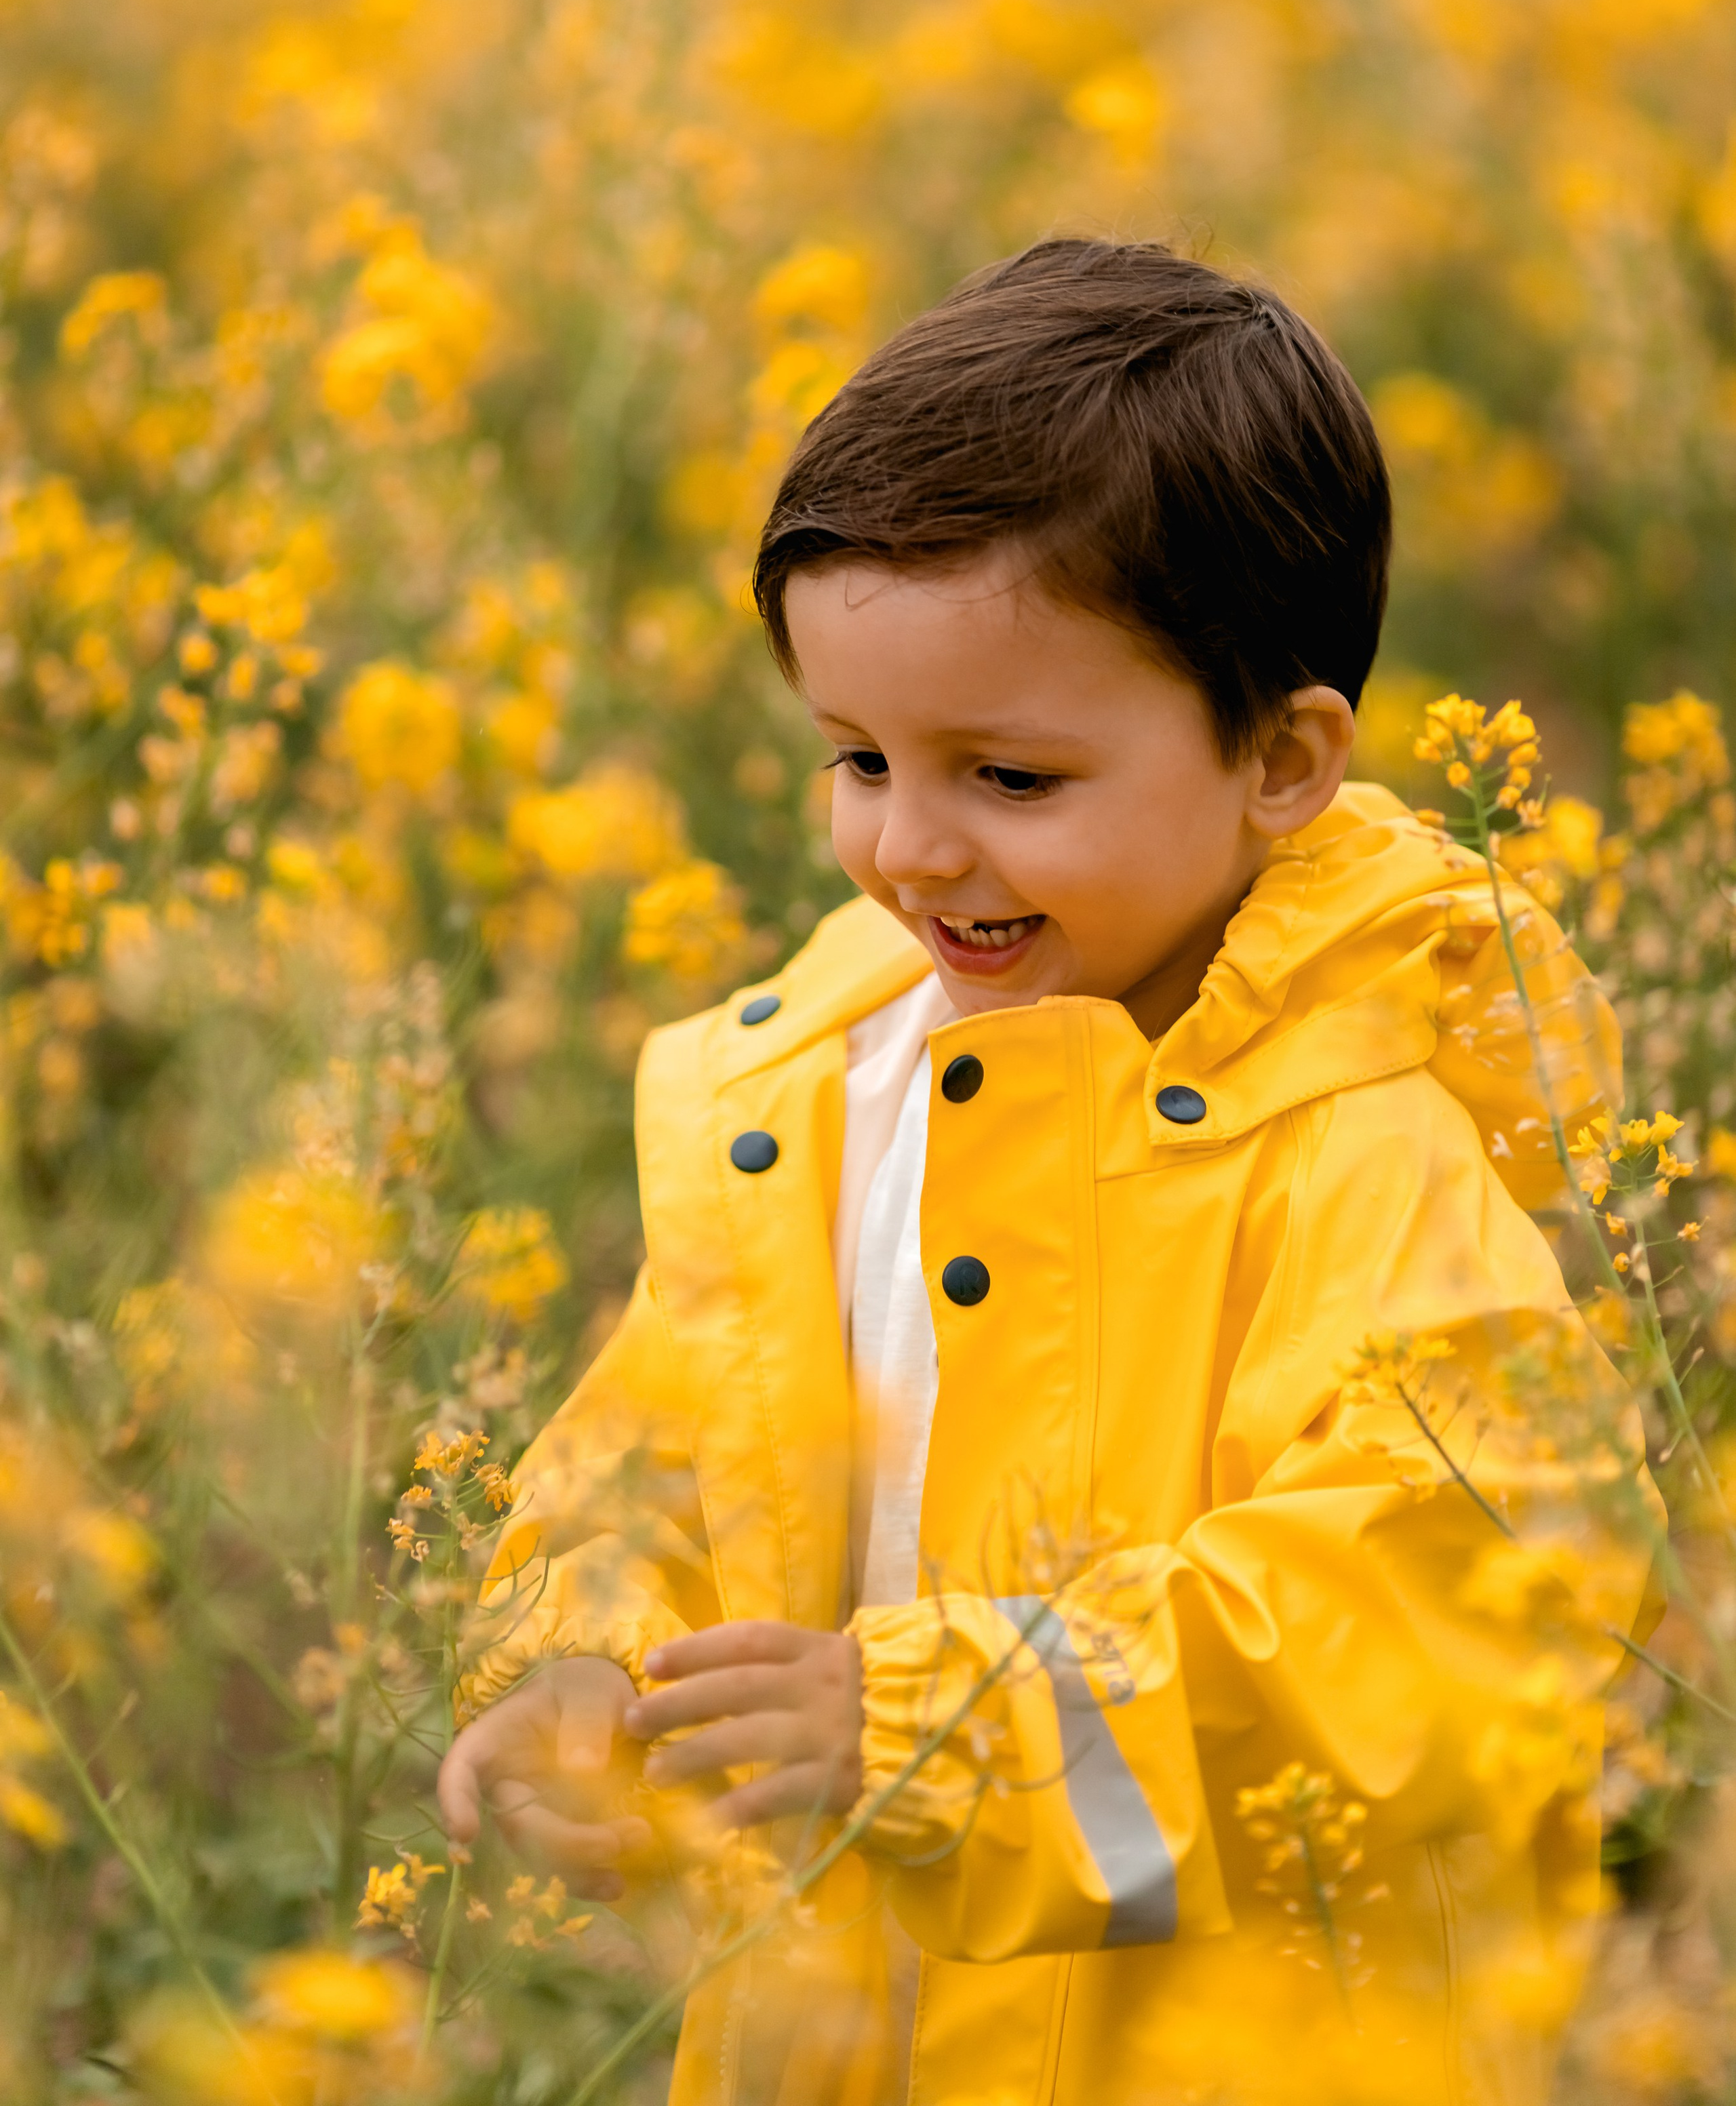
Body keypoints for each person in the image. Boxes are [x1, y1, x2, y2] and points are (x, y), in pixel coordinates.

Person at [437, 239, 1651, 2105]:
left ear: (1283, 760)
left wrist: (934, 1729)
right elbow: (660, 1461)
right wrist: (590, 1667)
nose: (910, 849)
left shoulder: (1367, 1143)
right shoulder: (815, 1092)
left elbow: (1432, 1629)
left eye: (1009, 780)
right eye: (857, 758)